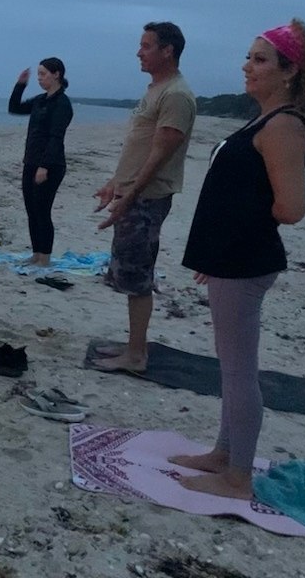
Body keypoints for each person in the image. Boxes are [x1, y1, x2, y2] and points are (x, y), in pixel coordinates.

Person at [169, 19, 305, 500]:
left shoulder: (283, 126)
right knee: (231, 366)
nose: (247, 67)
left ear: (290, 71)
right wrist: (218, 252)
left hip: (247, 263)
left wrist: (233, 245)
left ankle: (238, 477)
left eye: (260, 60)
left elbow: (290, 208)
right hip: (233, 260)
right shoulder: (265, 119)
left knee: (240, 371)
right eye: (248, 57)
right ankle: (224, 454)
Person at [92, 22, 196, 373]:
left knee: (138, 279)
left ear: (168, 50)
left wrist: (130, 195)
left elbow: (160, 154)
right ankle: (133, 344)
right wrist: (115, 183)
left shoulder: (176, 95)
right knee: (128, 274)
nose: (139, 52)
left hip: (147, 199)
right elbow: (139, 147)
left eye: (146, 46)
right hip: (134, 194)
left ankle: (136, 355)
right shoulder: (156, 89)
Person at [8, 57, 74, 267]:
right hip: (31, 161)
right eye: (38, 74)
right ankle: (36, 253)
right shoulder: (40, 100)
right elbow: (14, 108)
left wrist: (44, 167)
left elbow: (56, 137)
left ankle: (45, 256)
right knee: (32, 211)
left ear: (56, 74)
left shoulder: (62, 104)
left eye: (43, 74)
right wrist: (20, 85)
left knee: (42, 210)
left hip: (50, 166)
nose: (39, 78)